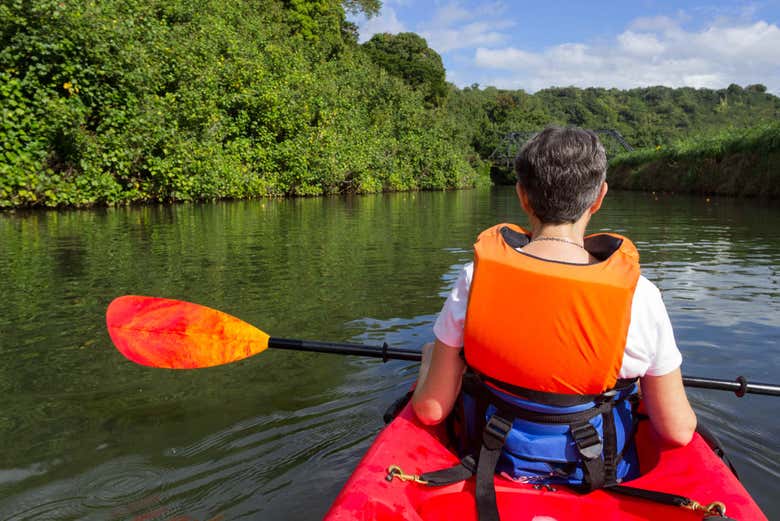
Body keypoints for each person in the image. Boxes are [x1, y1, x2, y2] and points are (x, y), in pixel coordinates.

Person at [410, 127, 696, 509]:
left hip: (493, 469)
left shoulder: (474, 279)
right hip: (600, 477)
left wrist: (430, 359)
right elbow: (677, 431)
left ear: (522, 196)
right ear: (599, 197)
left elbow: (431, 411)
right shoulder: (640, 296)